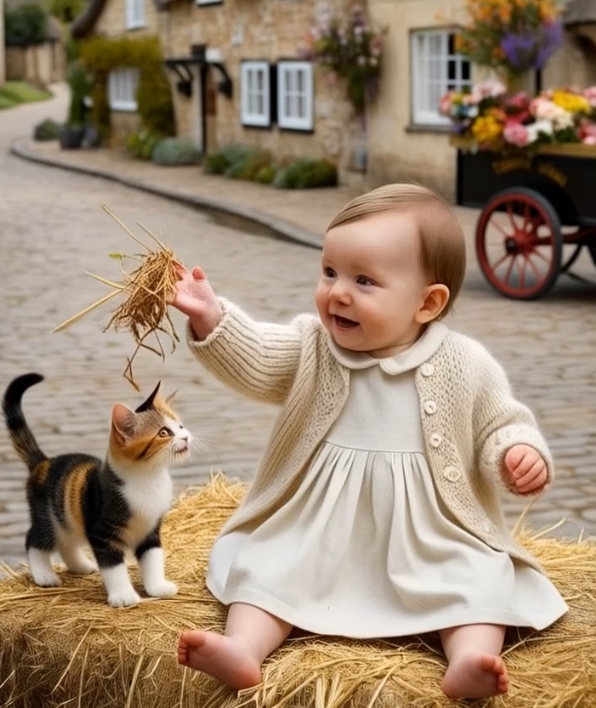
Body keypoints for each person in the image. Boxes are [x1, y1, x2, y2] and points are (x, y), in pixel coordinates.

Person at [170, 183, 567, 700]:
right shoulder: (314, 345)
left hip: (430, 531)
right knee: (269, 563)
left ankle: (469, 658)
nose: (337, 292)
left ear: (428, 303)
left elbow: (501, 423)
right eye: (330, 271)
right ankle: (243, 649)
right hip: (319, 523)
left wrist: (518, 453)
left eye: (364, 280)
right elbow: (262, 357)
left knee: (479, 576)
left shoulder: (464, 362)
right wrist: (212, 316)